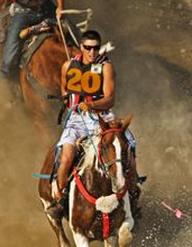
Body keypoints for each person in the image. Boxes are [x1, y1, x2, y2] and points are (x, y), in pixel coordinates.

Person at [48, 30, 140, 216]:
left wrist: (90, 105)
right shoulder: (68, 65)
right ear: (81, 47)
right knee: (66, 156)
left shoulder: (106, 67)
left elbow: (110, 99)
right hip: (77, 120)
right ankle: (61, 199)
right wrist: (70, 103)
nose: (92, 52)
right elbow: (65, 89)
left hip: (102, 117)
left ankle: (132, 190)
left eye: (96, 48)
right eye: (88, 48)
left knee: (128, 143)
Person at [0, 0, 64, 79]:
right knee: (9, 56)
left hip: (47, 10)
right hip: (23, 12)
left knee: (70, 31)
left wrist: (60, 7)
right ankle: (5, 76)